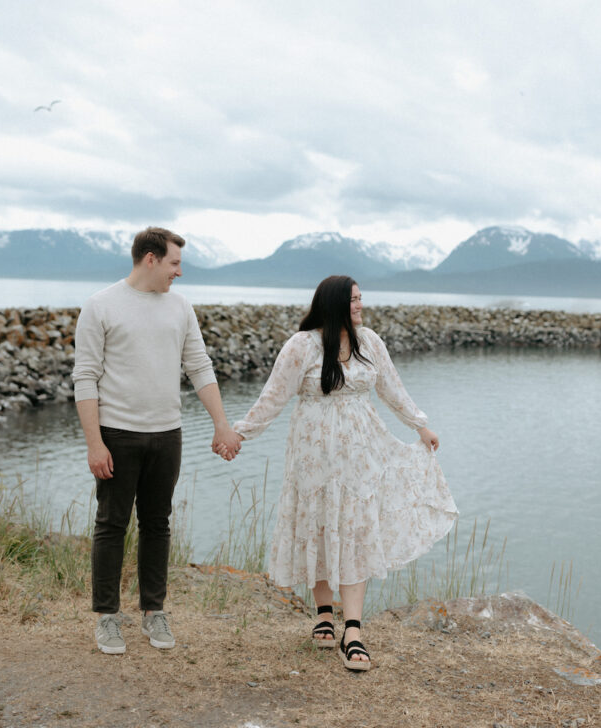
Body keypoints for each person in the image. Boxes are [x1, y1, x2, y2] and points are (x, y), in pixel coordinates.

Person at [229, 275, 457, 671]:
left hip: (361, 451)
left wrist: (419, 424)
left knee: (355, 529)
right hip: (314, 454)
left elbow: (391, 387)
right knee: (318, 524)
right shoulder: (302, 345)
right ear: (333, 303)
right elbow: (273, 396)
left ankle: (353, 629)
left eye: (360, 298)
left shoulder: (369, 341)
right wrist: (238, 434)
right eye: (353, 300)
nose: (359, 305)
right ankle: (323, 612)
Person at [72, 226, 242, 655]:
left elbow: (200, 368)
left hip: (167, 434)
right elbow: (85, 378)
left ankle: (154, 612)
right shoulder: (101, 306)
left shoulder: (180, 308)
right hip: (117, 433)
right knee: (111, 525)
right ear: (151, 259)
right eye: (174, 263)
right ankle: (107, 618)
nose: (178, 273)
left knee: (158, 525)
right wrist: (95, 444)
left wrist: (221, 425)